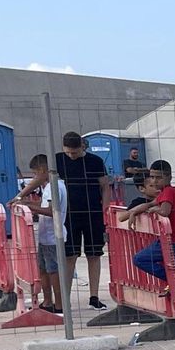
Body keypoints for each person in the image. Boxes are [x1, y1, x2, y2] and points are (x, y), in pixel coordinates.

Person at [126, 160, 175, 323]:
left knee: (140, 259)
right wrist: (136, 211)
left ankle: (174, 279)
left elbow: (164, 211)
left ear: (169, 177)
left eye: (158, 177)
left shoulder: (167, 192)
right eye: (152, 177)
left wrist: (154, 210)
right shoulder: (170, 192)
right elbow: (151, 203)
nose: (154, 181)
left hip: (173, 242)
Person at [45, 132, 111, 310]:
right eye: (68, 153)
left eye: (74, 152)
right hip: (68, 214)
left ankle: (94, 296)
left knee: (94, 254)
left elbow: (105, 186)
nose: (71, 156)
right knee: (69, 256)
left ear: (82, 146)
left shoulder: (95, 161)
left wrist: (105, 209)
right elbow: (43, 180)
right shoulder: (57, 160)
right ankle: (64, 298)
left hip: (92, 212)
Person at [17, 155, 66, 314]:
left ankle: (59, 304)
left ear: (43, 170)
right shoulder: (47, 187)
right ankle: (47, 301)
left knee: (54, 272)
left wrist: (31, 208)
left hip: (54, 236)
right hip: (46, 236)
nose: (35, 177)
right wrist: (29, 203)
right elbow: (44, 205)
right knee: (43, 270)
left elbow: (52, 211)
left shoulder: (55, 187)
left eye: (36, 173)